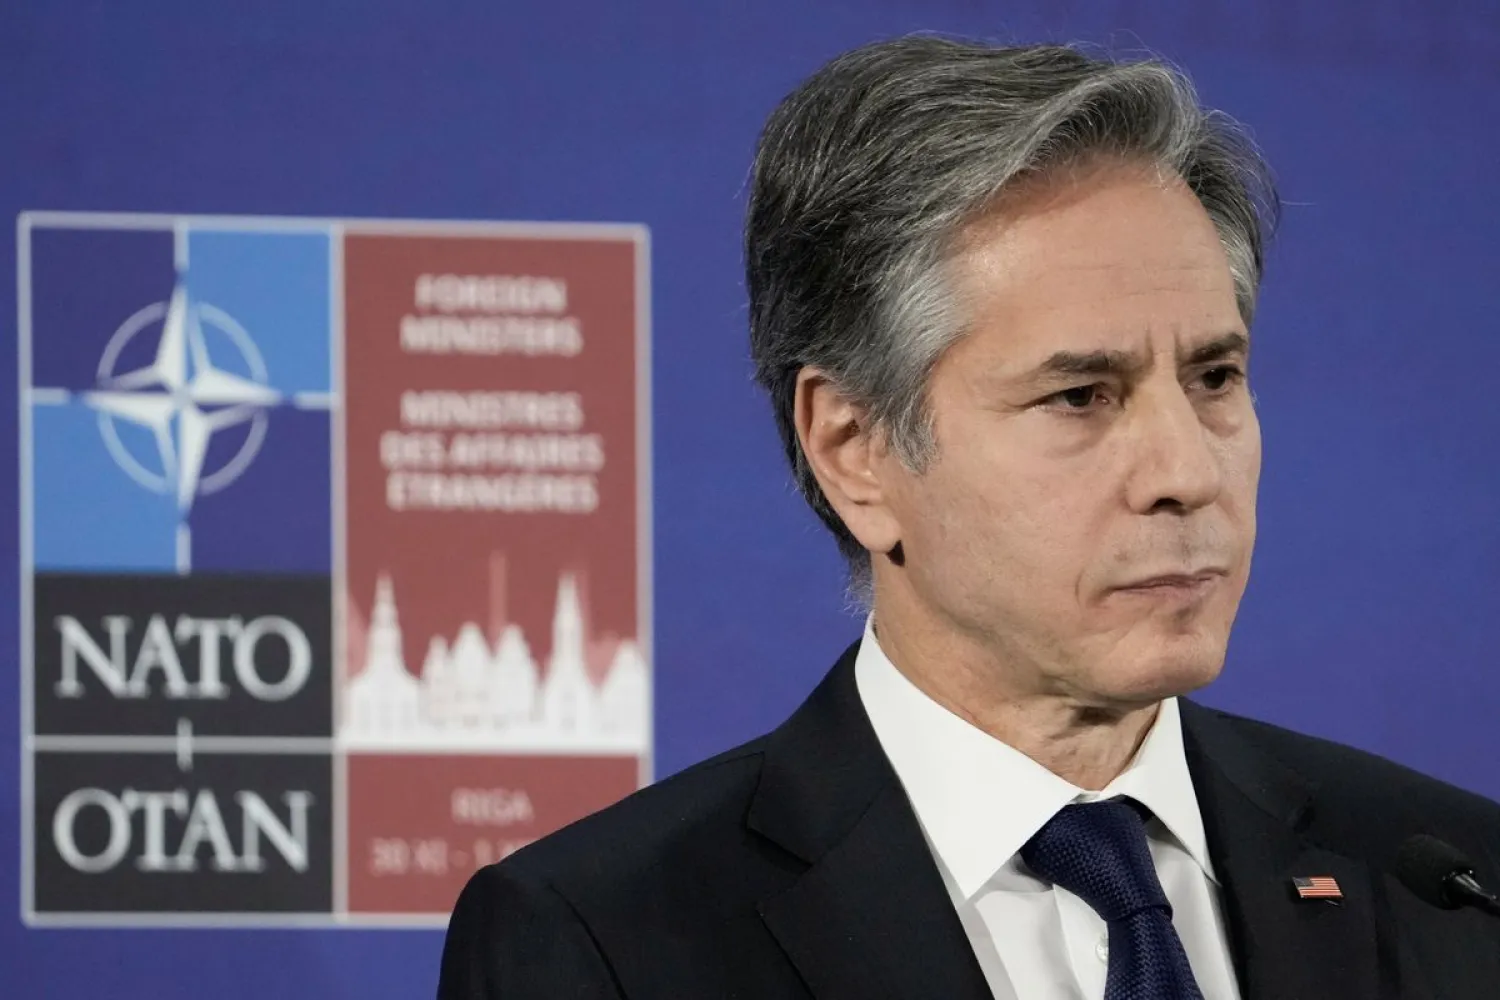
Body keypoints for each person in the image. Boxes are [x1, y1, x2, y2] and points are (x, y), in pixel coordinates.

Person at [436, 36, 1500, 999]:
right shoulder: (605, 943)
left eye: (1215, 376)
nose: (1186, 469)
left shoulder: (1455, 879)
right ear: (856, 450)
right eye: (1080, 395)